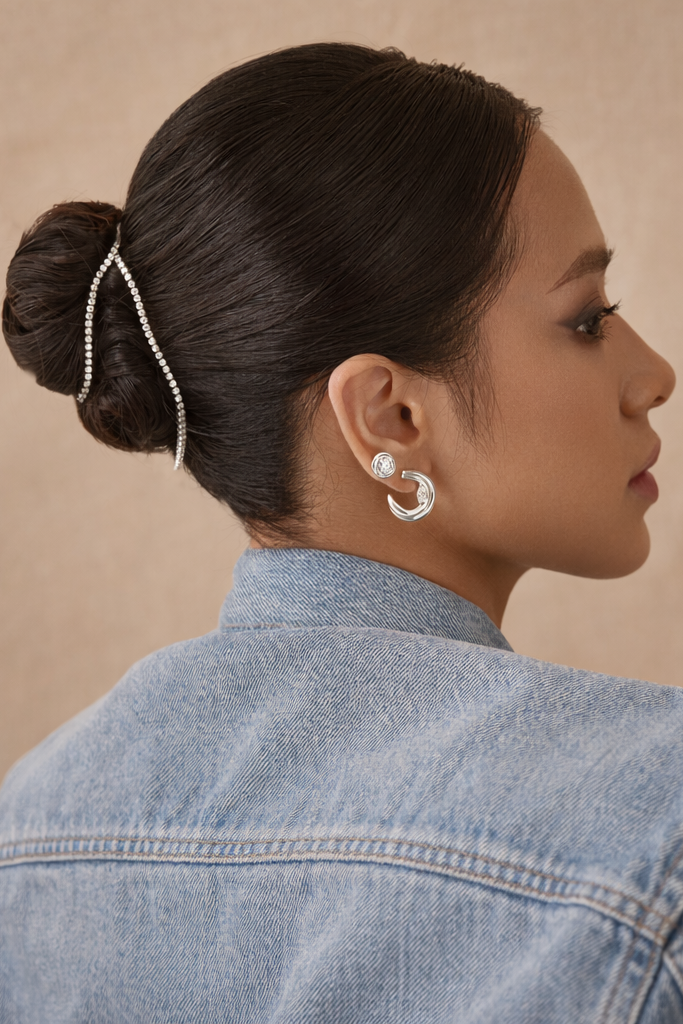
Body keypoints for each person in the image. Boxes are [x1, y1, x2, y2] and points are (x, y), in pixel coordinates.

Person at [0, 40, 680, 1024]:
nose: (653, 373)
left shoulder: (27, 834)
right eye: (587, 317)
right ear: (389, 418)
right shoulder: (655, 822)